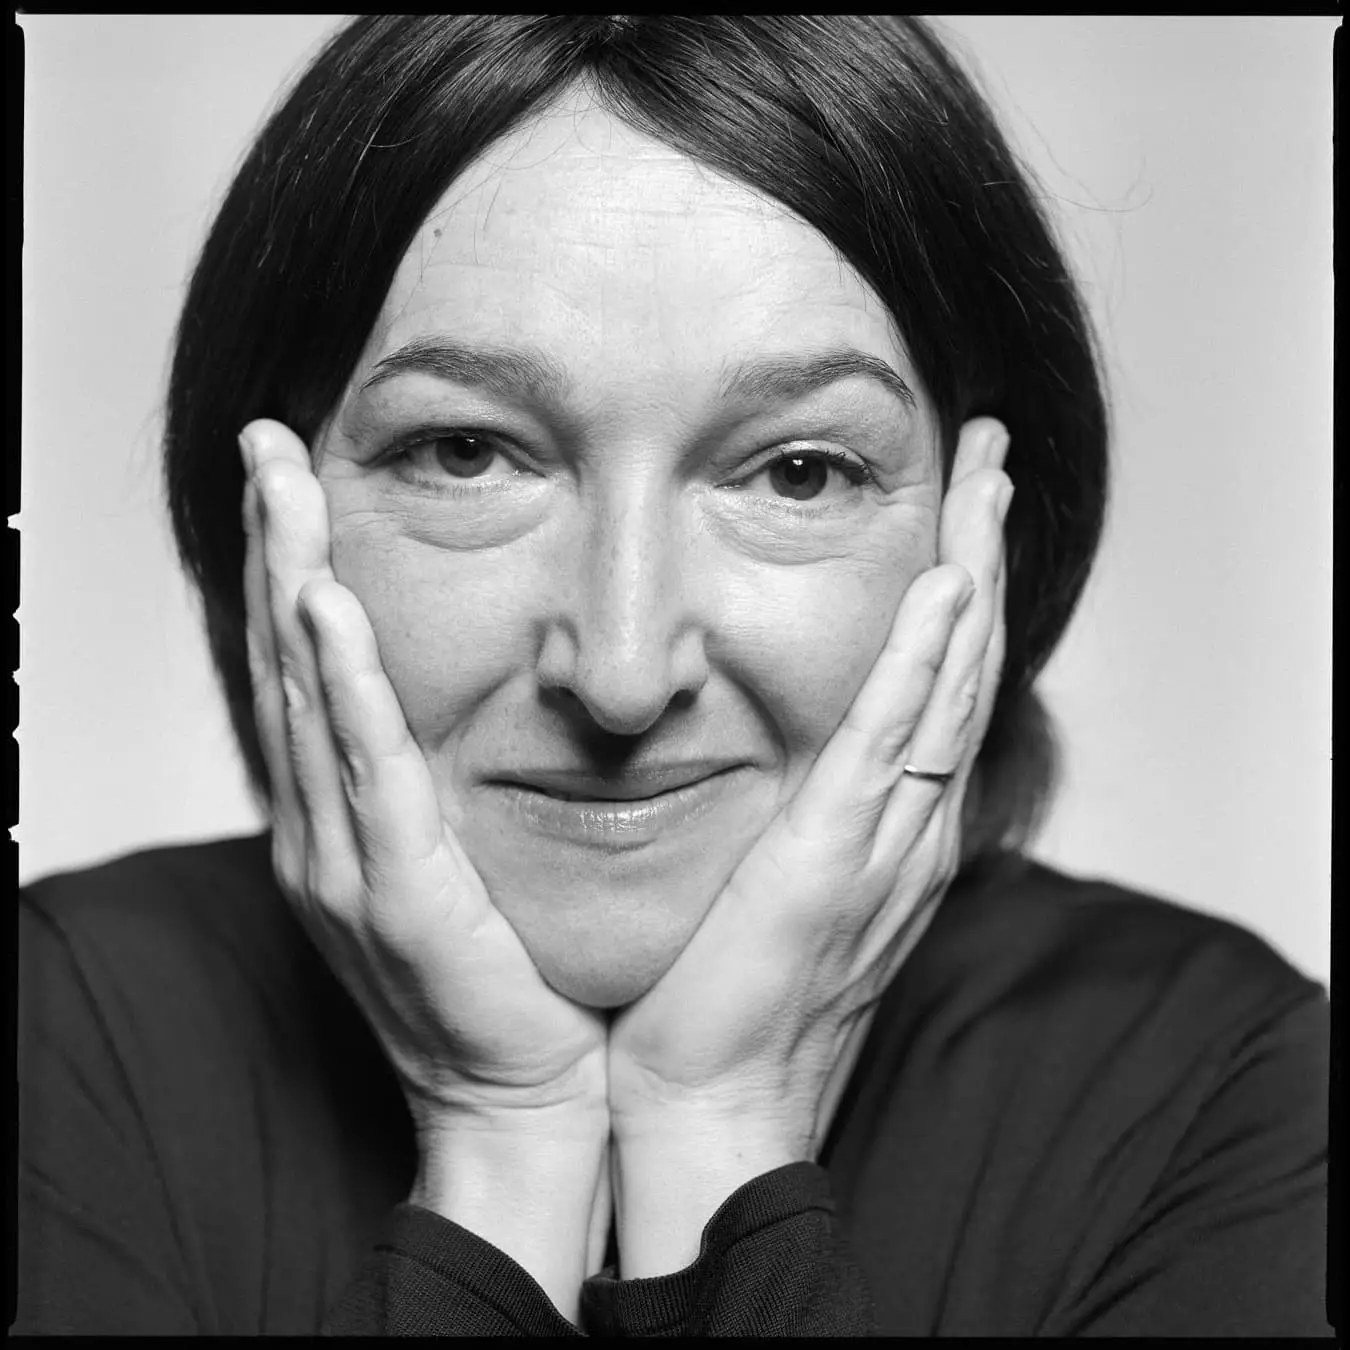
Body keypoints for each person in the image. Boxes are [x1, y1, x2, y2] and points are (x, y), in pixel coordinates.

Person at [15, 14, 1331, 1337]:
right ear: (266, 517)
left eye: (797, 472)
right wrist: (502, 1139)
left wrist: (719, 1134)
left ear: (981, 539)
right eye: (467, 452)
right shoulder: (60, 1035)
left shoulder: (1224, 1090)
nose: (623, 672)